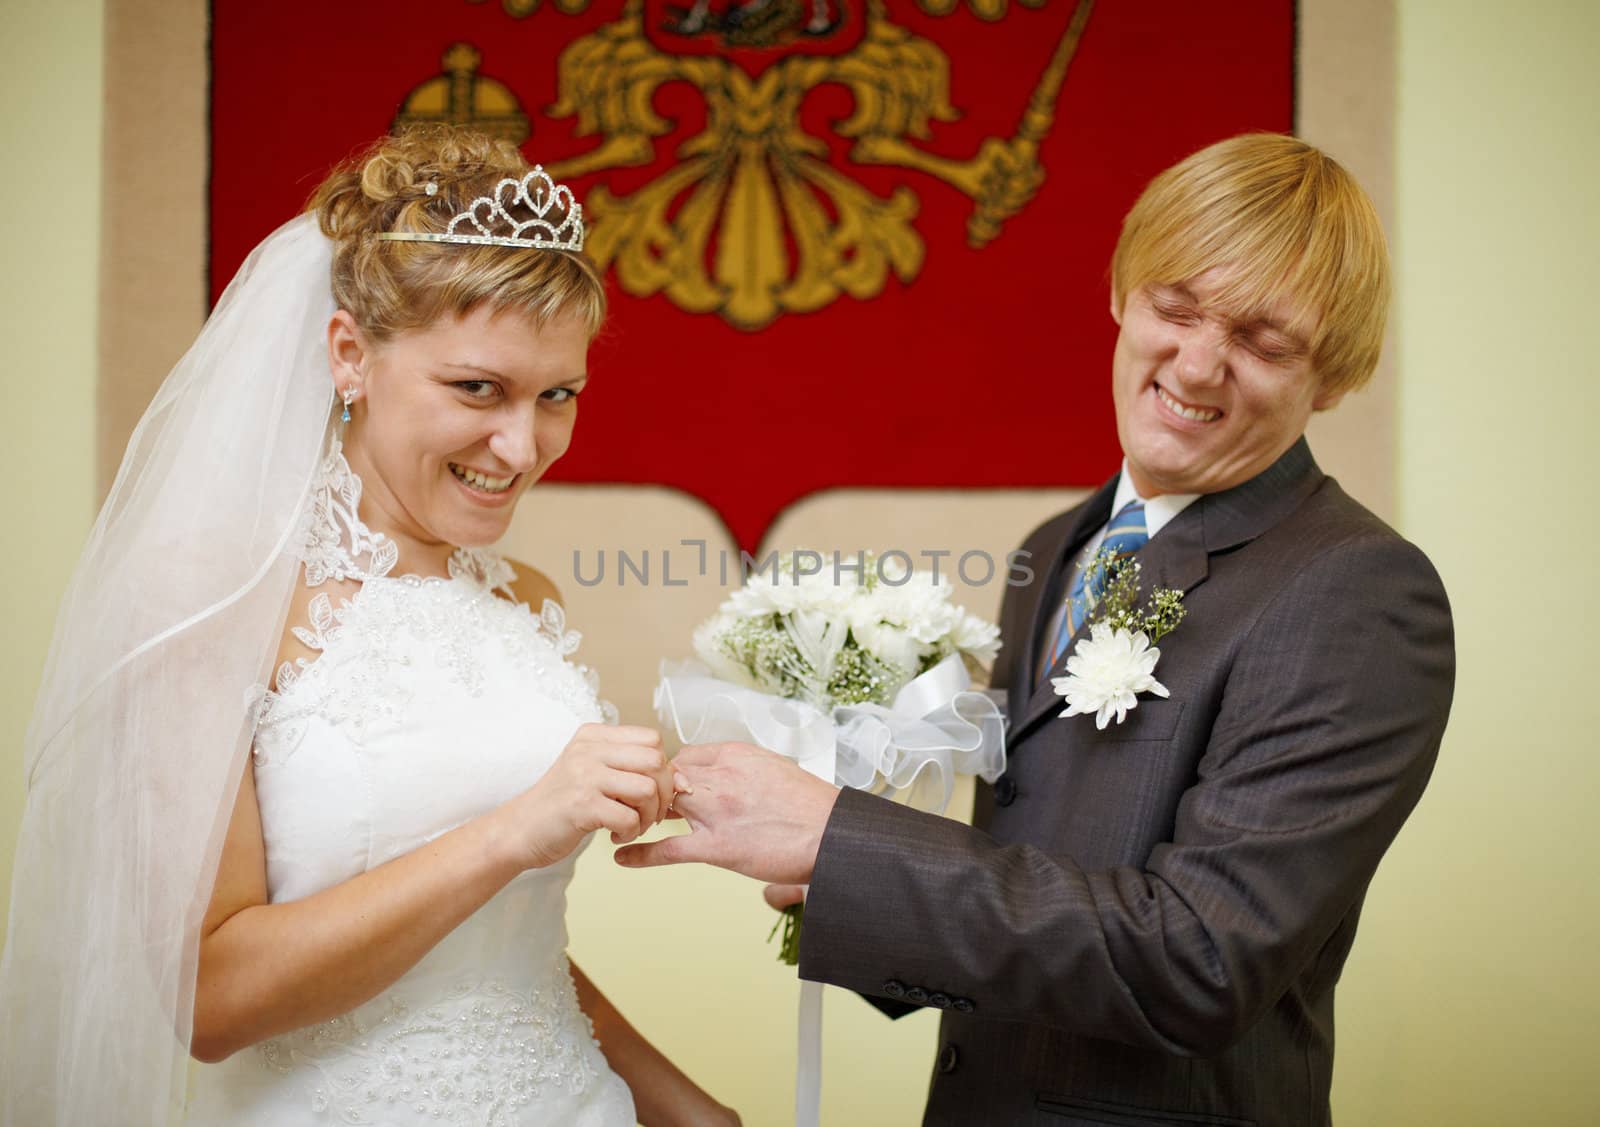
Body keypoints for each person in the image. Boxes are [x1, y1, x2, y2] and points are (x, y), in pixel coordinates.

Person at [618, 133, 1456, 1126]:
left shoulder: (1357, 591)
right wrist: (839, 883)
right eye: (1174, 307)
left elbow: (1200, 958)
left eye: (1262, 341)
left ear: (1332, 378)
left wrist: (847, 839)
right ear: (1119, 294)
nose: (1197, 361)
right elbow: (1040, 871)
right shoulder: (1058, 543)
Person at [0, 125, 738, 1126]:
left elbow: (492, 957)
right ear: (350, 353)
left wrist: (687, 1107)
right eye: (477, 388)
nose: (521, 446)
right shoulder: (212, 601)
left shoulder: (524, 599)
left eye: (556, 396)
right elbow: (211, 999)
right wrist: (516, 827)